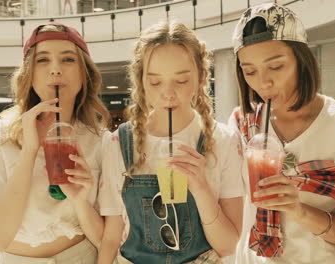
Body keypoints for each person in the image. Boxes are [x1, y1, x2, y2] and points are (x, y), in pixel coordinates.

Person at [227, 3, 335, 264]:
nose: (264, 82)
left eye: (276, 67)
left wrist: (298, 210)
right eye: (250, 71)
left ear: (301, 61)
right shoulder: (242, 123)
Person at [97, 21, 244, 264]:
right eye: (155, 82)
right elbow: (112, 237)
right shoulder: (118, 143)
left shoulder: (223, 141)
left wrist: (201, 190)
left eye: (182, 80)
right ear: (141, 81)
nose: (167, 93)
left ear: (200, 77)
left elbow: (229, 246)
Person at [0, 23, 110, 263]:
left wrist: (81, 201)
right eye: (42, 60)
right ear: (29, 73)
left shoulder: (100, 140)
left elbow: (106, 238)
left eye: (68, 60)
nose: (56, 70)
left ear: (84, 73)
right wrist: (29, 151)